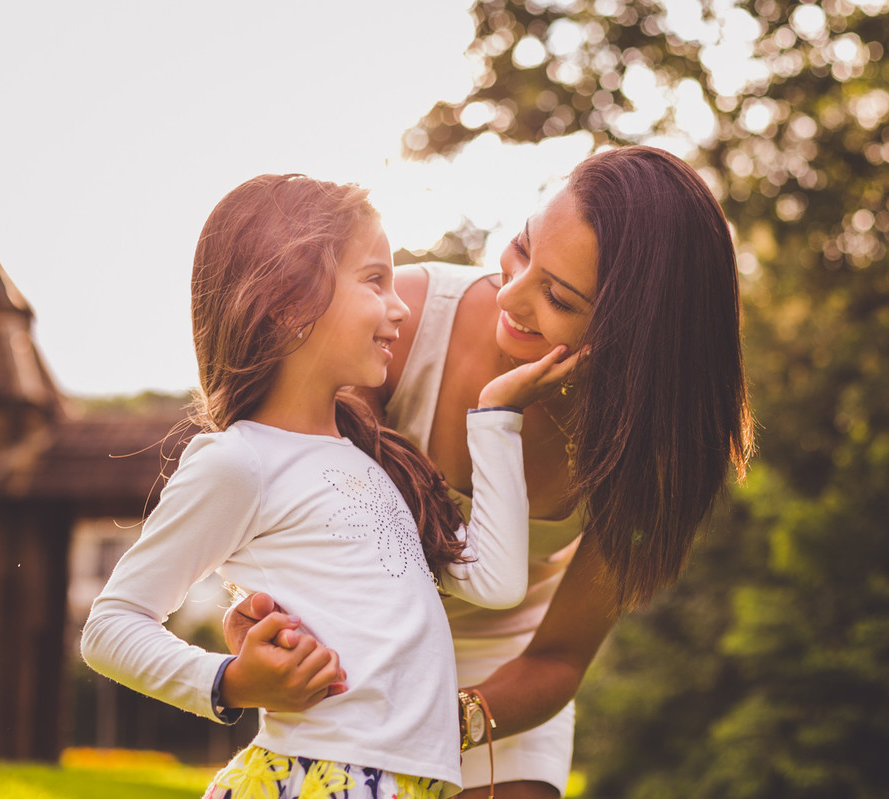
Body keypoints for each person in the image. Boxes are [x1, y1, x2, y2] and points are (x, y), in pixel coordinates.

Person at [227, 146, 755, 798]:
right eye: (521, 248)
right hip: (357, 647)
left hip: (506, 669)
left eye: (556, 295)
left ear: (632, 339)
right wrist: (261, 622)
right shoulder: (400, 323)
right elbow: (284, 502)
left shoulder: (651, 452)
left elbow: (558, 658)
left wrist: (451, 718)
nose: (510, 292)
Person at [81, 173, 582, 799]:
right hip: (323, 778)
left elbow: (497, 581)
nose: (399, 304)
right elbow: (111, 626)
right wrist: (229, 681)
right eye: (375, 279)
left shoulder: (384, 464)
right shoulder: (238, 463)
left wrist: (496, 416)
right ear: (289, 302)